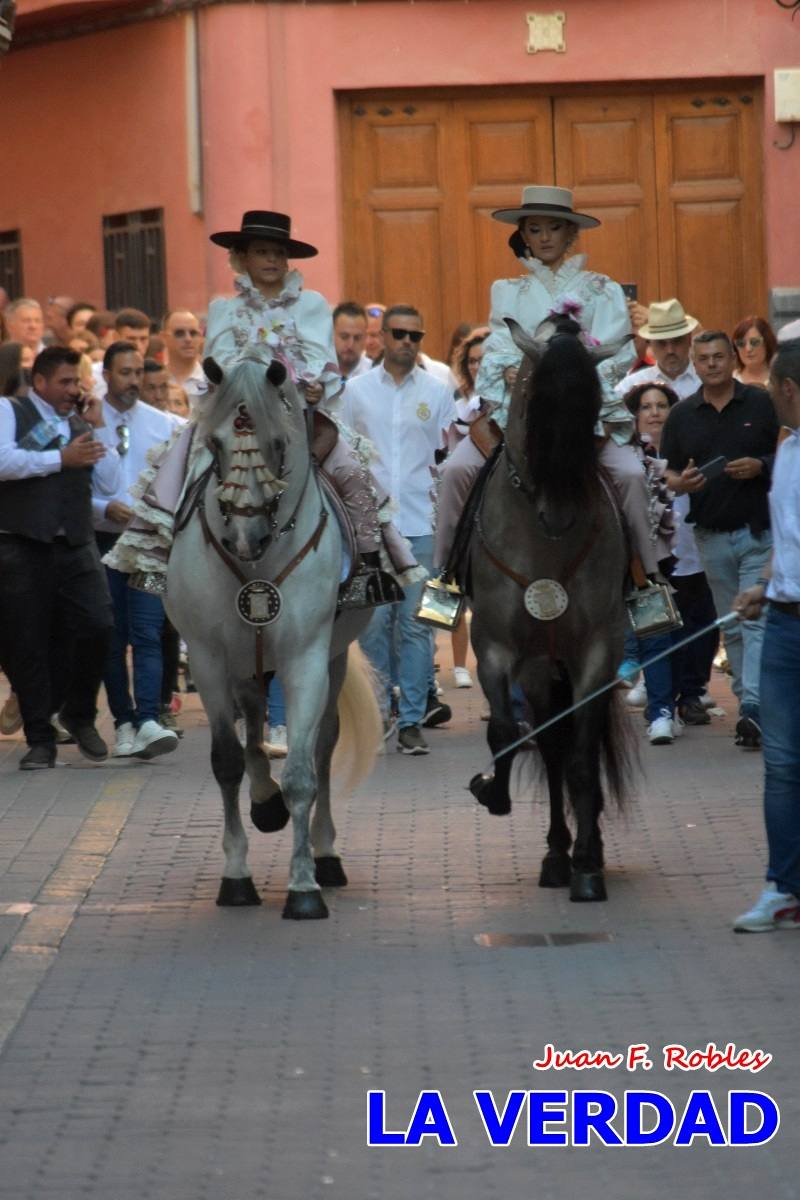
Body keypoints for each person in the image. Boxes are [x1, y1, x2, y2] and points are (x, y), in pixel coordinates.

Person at [434, 185, 642, 574]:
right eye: (534, 229)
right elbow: (496, 347)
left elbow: (620, 353)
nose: (544, 237)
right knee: (455, 470)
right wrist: (508, 371)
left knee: (631, 475)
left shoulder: (603, 289)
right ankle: (446, 576)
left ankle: (647, 582)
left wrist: (573, 381)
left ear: (570, 233)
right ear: (524, 235)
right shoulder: (508, 291)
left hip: (584, 412)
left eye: (553, 228)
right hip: (522, 408)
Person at [340, 304, 457, 755]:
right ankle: (380, 713)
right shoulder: (355, 391)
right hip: (370, 526)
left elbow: (449, 456)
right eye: (400, 334)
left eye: (416, 335)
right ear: (383, 336)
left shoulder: (438, 390)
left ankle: (410, 720)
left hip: (420, 524)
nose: (407, 342)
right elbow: (343, 455)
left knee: (416, 626)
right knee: (373, 625)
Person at [660, 330, 780, 750]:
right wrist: (684, 482)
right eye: (704, 358)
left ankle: (753, 708)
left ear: (733, 360)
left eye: (718, 356)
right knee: (731, 625)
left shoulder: (761, 402)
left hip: (756, 531)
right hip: (709, 535)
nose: (711, 364)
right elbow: (667, 475)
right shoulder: (681, 416)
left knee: (756, 620)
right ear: (695, 364)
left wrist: (760, 465)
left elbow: (787, 453)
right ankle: (754, 706)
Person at [0, 347, 118, 768]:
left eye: (77, 381)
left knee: (97, 624)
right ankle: (40, 739)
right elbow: (3, 461)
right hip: (22, 544)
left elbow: (110, 478)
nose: (74, 390)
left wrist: (99, 427)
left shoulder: (80, 421)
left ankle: (79, 712)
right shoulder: (9, 410)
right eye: (65, 382)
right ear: (41, 383)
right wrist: (59, 459)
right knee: (26, 642)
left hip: (76, 543)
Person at [732, 339, 800, 931]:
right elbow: (788, 540)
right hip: (782, 625)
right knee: (781, 763)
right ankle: (783, 886)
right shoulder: (789, 451)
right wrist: (764, 581)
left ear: (786, 388)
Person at [93, 342, 179, 760]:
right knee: (112, 635)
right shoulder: (87, 421)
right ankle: (123, 722)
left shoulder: (163, 424)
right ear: (106, 374)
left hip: (147, 543)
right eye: (123, 373)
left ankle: (148, 718)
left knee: (148, 631)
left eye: (136, 374)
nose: (132, 381)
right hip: (104, 539)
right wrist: (102, 508)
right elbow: (75, 486)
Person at [161, 309, 207, 405]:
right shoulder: (155, 381)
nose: (188, 339)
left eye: (193, 333)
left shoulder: (213, 382)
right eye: (179, 333)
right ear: (164, 338)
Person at [732, 315, 776, 389]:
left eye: (755, 342)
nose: (748, 349)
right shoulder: (730, 381)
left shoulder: (780, 379)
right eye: (741, 343)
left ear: (767, 343)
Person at [332, 301, 372, 382]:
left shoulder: (374, 375)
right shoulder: (318, 373)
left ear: (365, 338)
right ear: (331, 335)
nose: (350, 345)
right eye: (344, 337)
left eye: (357, 338)